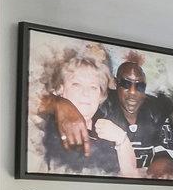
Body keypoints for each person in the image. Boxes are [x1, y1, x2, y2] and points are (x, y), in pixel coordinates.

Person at [33, 44, 138, 176]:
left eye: (93, 87)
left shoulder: (108, 126)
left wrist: (121, 139)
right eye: (77, 85)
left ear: (101, 96)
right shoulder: (45, 125)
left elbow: (132, 177)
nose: (86, 93)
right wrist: (57, 103)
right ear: (60, 90)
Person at [92, 52, 173, 179]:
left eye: (140, 86)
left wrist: (158, 176)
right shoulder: (101, 106)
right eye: (126, 84)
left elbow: (165, 158)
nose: (133, 92)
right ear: (115, 83)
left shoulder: (157, 111)